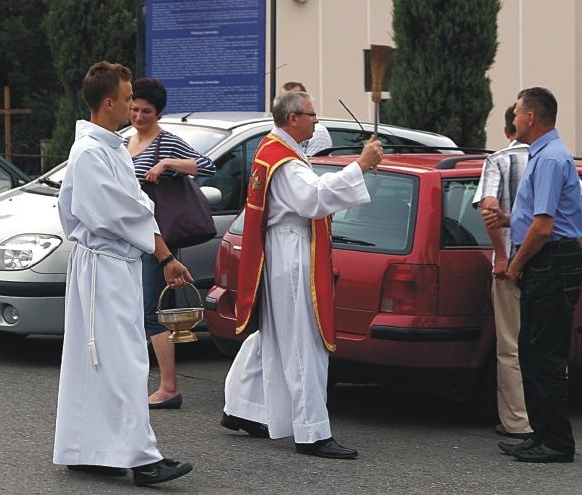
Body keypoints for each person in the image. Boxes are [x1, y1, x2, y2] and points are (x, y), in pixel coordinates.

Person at [220, 90, 383, 459]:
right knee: (304, 342)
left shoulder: (272, 148)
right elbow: (313, 198)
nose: (316, 120)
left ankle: (244, 407)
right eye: (311, 114)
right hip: (293, 254)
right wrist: (360, 166)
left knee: (275, 337)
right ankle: (312, 432)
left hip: (282, 251)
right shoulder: (285, 162)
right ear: (292, 119)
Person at [53, 61, 193, 486]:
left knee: (97, 359)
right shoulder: (92, 153)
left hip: (113, 265)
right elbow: (125, 213)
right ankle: (142, 458)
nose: (134, 105)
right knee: (123, 361)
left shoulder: (110, 147)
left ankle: (84, 448)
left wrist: (157, 245)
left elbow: (132, 209)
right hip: (104, 267)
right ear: (109, 102)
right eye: (129, 98)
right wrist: (166, 255)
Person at [473, 104, 582, 441]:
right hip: (549, 258)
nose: (515, 121)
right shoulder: (554, 155)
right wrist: (575, 242)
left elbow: (538, 225)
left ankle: (529, 428)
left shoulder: (539, 159)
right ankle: (542, 434)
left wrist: (508, 262)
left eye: (517, 114)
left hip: (533, 261)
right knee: (536, 350)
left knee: (525, 350)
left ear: (527, 119)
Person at [123, 77, 216, 409]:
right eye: (133, 109)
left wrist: (167, 164)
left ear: (158, 113)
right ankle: (139, 381)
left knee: (152, 311)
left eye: (145, 111)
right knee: (132, 311)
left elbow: (207, 165)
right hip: (129, 237)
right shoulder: (126, 141)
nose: (137, 116)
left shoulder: (168, 142)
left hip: (158, 237)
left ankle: (169, 387)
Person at [280, 82, 333, 156]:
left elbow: (314, 165)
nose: (287, 105)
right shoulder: (280, 130)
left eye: (293, 100)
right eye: (283, 100)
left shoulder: (316, 131)